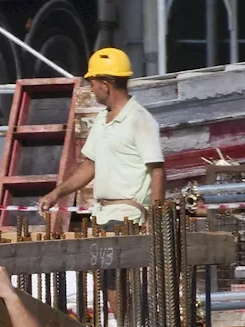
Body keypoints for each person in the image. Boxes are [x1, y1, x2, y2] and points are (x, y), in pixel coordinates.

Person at [37, 47, 165, 232]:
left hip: (128, 219)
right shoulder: (102, 119)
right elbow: (90, 166)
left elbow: (158, 171)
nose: (91, 89)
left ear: (105, 85)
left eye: (93, 83)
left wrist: (155, 219)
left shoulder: (139, 119)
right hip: (102, 216)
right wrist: (56, 194)